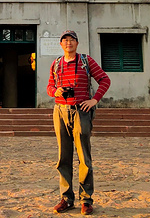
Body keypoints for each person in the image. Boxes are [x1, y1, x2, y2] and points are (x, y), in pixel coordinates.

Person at [47, 30, 111, 215]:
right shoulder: (56, 64)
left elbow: (104, 80)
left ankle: (86, 199)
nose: (68, 43)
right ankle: (66, 198)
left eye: (72, 40)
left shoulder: (86, 61)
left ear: (77, 43)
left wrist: (94, 100)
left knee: (84, 157)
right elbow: (49, 86)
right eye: (65, 40)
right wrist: (55, 91)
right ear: (61, 44)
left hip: (81, 111)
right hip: (60, 111)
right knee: (63, 157)